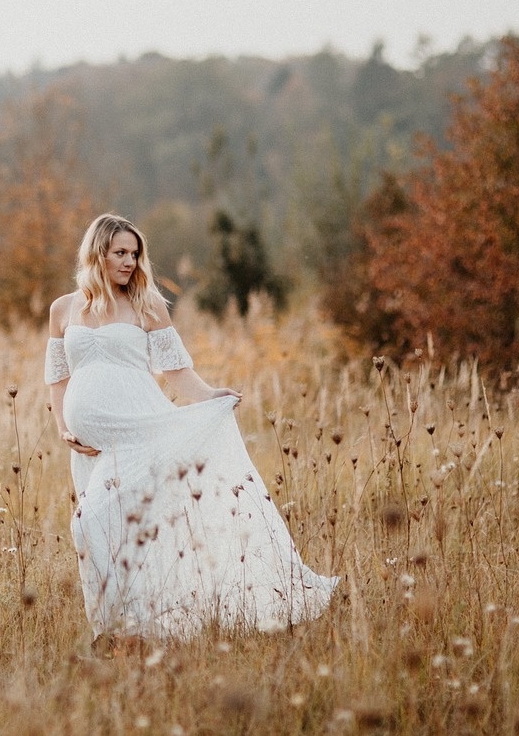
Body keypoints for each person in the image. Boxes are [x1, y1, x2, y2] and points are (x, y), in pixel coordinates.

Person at [45, 213, 338, 644]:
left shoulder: (147, 304)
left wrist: (210, 397)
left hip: (140, 431)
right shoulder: (64, 309)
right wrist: (62, 427)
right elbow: (57, 377)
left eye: (135, 253)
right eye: (120, 253)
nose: (130, 262)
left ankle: (144, 623)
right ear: (97, 253)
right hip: (92, 446)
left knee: (91, 523)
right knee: (110, 531)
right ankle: (121, 629)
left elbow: (177, 371)